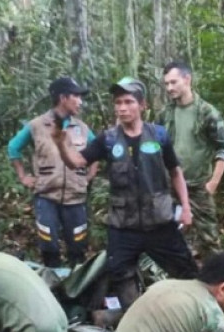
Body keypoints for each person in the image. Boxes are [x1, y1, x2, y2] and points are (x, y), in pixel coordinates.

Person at [54, 77, 197, 309]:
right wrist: (61, 144)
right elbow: (77, 161)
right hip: (123, 225)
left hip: (159, 221)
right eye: (118, 102)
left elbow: (175, 172)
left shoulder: (159, 135)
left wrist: (186, 208)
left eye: (128, 102)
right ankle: (137, 315)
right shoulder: (108, 140)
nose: (122, 108)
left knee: (186, 271)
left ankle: (193, 314)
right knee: (119, 271)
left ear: (142, 106)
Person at [7, 77, 98, 267]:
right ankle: (52, 286)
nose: (80, 101)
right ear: (63, 98)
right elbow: (13, 148)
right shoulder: (36, 126)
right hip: (47, 196)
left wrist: (90, 175)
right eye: (77, 96)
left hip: (75, 197)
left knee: (78, 246)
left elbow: (96, 151)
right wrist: (23, 176)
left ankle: (77, 288)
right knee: (49, 245)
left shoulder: (81, 128)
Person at [157, 62, 224, 261]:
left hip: (199, 187)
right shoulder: (165, 114)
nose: (170, 88)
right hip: (171, 187)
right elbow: (156, 147)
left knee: (209, 240)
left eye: (173, 82)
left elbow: (223, 146)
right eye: (166, 84)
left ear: (187, 79)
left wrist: (213, 183)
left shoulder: (207, 112)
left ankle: (217, 284)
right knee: (171, 238)